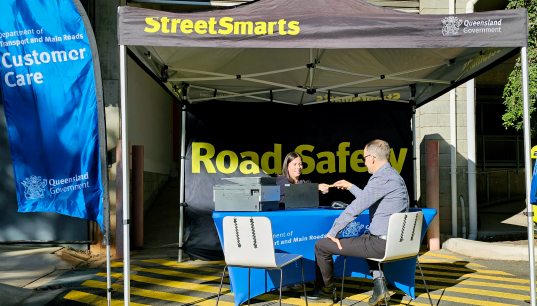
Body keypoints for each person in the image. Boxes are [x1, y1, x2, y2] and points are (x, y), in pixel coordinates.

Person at [302, 139, 409, 305]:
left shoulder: (380, 179)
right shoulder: (394, 176)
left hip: (381, 245)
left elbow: (355, 209)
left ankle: (325, 291)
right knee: (366, 236)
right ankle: (380, 287)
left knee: (321, 246)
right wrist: (351, 186)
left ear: (372, 158)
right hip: (398, 243)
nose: (364, 162)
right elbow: (371, 199)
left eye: (364, 158)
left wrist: (333, 232)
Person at [277, 152, 329, 292]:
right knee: (287, 252)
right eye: (295, 164)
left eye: (300, 164)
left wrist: (318, 190)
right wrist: (314, 189)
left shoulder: (305, 182)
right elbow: (287, 195)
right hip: (285, 225)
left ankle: (299, 278)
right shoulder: (281, 180)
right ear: (287, 167)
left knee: (303, 250)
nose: (298, 167)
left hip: (302, 225)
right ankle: (285, 281)